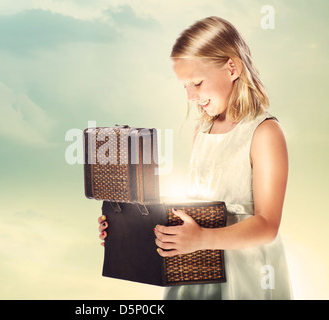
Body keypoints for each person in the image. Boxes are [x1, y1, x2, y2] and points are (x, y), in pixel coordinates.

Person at [98, 16, 293, 300]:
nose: (190, 95)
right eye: (185, 86)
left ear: (232, 67)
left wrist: (203, 238)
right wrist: (126, 233)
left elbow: (267, 226)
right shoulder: (201, 131)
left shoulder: (265, 132)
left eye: (197, 83)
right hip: (196, 268)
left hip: (246, 276)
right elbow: (194, 209)